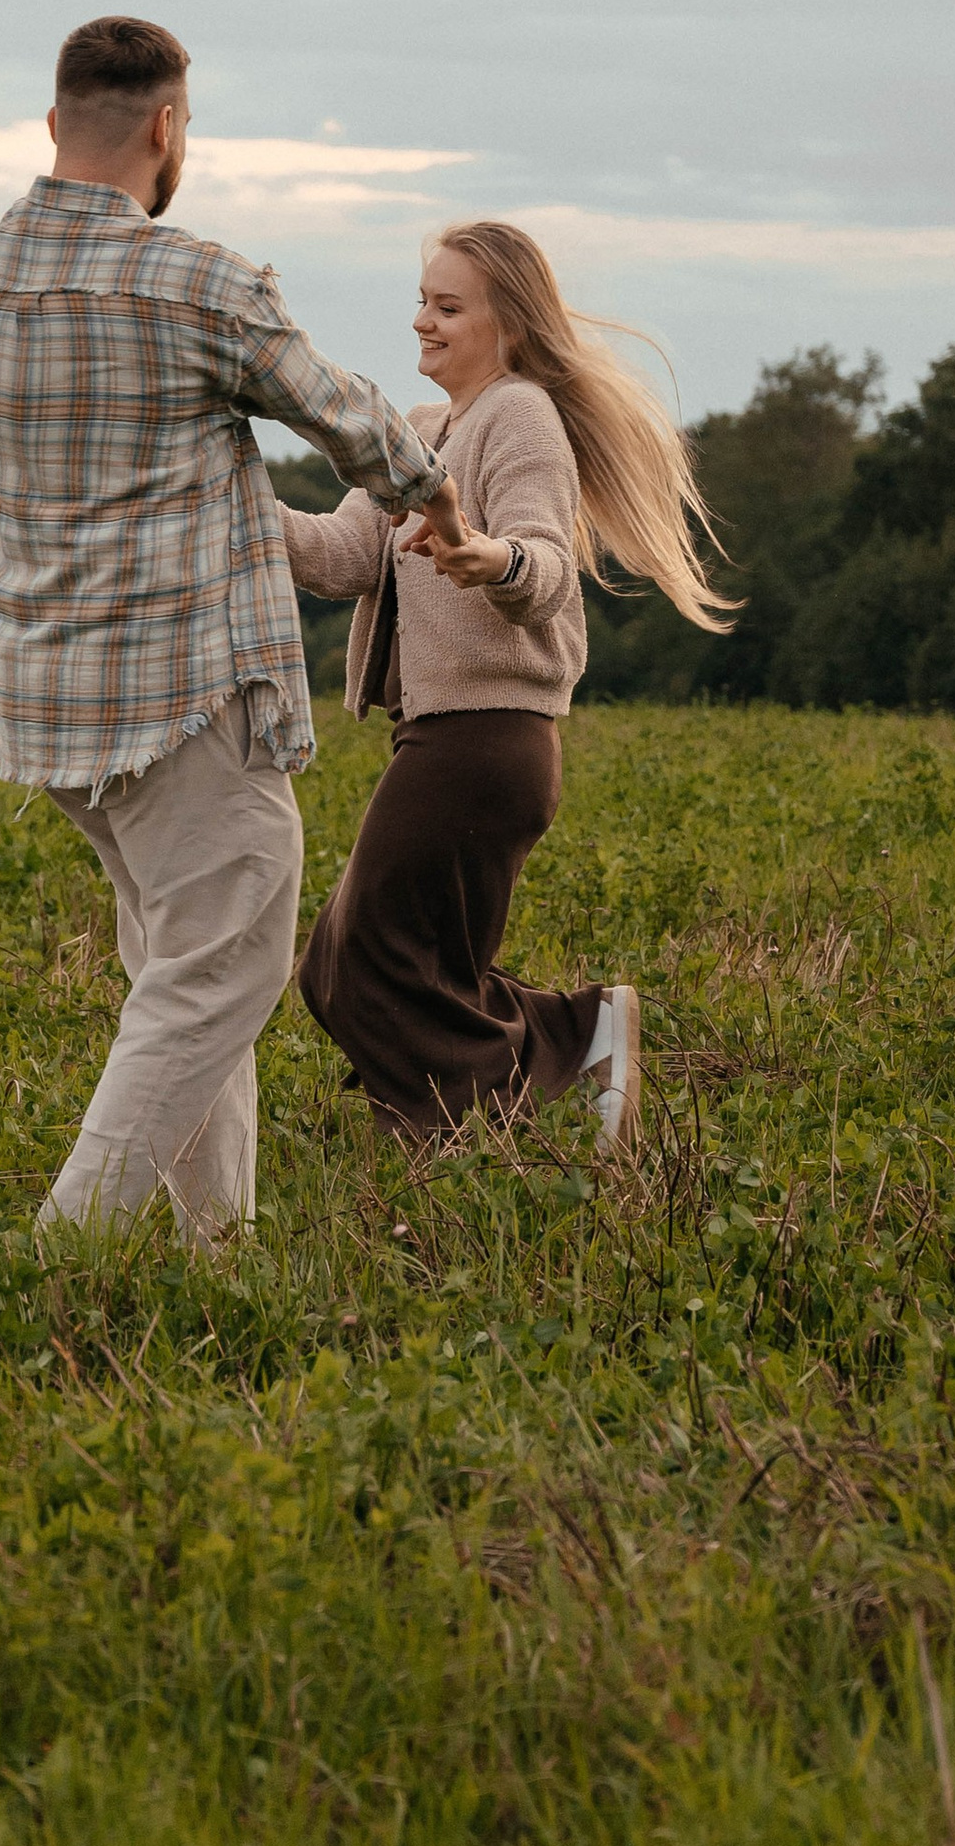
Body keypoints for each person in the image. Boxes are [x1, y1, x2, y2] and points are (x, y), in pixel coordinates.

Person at [0, 16, 476, 1245]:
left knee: (190, 980)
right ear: (167, 128)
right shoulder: (194, 279)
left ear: (52, 126)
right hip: (183, 696)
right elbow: (344, 417)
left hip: (50, 703)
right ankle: (62, 1255)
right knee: (217, 983)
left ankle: (217, 1260)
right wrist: (437, 492)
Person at [283, 218, 734, 1155]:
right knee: (354, 965)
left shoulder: (518, 412)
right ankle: (571, 1042)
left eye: (448, 307)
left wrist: (491, 557)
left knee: (362, 961)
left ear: (513, 326)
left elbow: (547, 565)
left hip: (489, 740)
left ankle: (491, 1117)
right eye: (421, 301)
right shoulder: (420, 431)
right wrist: (235, 504)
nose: (422, 322)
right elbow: (341, 555)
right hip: (444, 739)